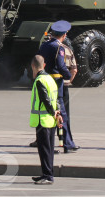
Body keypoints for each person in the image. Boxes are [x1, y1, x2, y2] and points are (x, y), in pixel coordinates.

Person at [37, 20, 79, 153]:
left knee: (49, 113)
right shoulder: (59, 48)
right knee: (62, 114)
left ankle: (47, 144)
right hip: (56, 83)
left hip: (44, 80)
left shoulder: (44, 46)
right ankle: (68, 144)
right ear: (64, 35)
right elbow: (61, 66)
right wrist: (67, 75)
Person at [29, 55, 62, 185]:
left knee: (44, 150)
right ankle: (47, 173)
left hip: (43, 120)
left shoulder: (39, 81)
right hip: (51, 121)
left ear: (33, 66)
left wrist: (52, 111)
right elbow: (57, 98)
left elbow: (45, 100)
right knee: (48, 149)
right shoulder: (50, 79)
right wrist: (57, 113)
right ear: (44, 65)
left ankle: (47, 175)